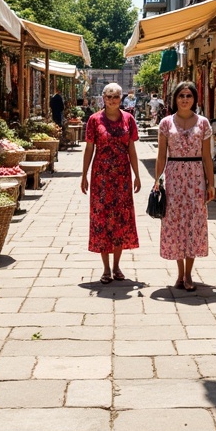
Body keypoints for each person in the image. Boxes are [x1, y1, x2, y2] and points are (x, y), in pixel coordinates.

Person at [153, 81, 215, 292]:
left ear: (195, 99)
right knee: (176, 223)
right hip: (174, 177)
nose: (185, 99)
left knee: (194, 223)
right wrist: (156, 181)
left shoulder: (204, 123)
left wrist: (211, 183)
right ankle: (180, 272)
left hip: (196, 177)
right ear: (175, 99)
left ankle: (189, 273)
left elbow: (207, 156)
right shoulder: (165, 123)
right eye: (181, 96)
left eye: (189, 95)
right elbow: (161, 156)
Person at [81, 81, 141, 284]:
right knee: (102, 220)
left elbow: (131, 149)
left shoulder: (129, 120)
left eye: (116, 96)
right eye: (109, 96)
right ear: (103, 98)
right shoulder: (94, 120)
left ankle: (117, 266)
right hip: (101, 178)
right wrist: (84, 175)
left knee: (121, 221)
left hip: (122, 178)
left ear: (121, 98)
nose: (113, 100)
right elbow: (89, 149)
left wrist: (137, 175)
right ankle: (106, 268)